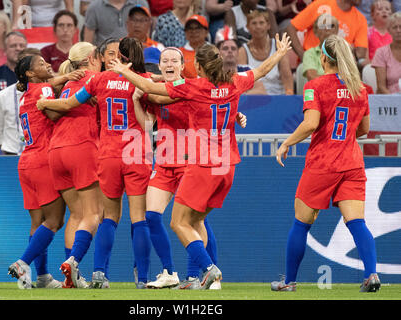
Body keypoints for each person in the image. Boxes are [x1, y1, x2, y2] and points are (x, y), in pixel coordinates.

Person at [108, 33, 292, 289]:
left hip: (202, 163)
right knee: (192, 220)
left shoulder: (193, 88)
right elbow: (261, 70)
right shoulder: (235, 82)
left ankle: (208, 269)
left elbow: (150, 88)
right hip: (227, 165)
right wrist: (280, 52)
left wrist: (121, 70)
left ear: (196, 68)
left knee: (179, 222)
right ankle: (201, 277)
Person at [37, 37, 153, 289]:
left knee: (108, 217)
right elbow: (155, 114)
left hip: (108, 153)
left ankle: (98, 273)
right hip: (135, 153)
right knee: (138, 218)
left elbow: (67, 104)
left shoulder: (97, 80)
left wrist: (43, 101)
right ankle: (142, 279)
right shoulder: (143, 80)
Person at [131, 46, 248, 289]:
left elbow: (217, 108)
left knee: (196, 222)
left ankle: (201, 274)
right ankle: (169, 272)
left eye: (174, 60)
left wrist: (236, 115)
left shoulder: (192, 88)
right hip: (164, 161)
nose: (169, 63)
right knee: (151, 215)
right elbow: (147, 125)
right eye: (165, 61)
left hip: (190, 162)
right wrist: (136, 101)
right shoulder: (160, 91)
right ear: (161, 66)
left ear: (184, 66)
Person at [272, 34, 380, 293]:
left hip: (322, 163)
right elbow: (364, 129)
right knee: (357, 222)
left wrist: (286, 143)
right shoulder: (360, 89)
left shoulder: (315, 85)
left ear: (323, 58)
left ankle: (289, 282)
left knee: (301, 223)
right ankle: (371, 274)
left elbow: (311, 123)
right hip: (352, 162)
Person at [47, 41, 104, 289]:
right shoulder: (95, 80)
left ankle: (70, 277)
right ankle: (74, 262)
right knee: (94, 213)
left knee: (77, 214)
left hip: (56, 152)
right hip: (82, 148)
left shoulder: (67, 84)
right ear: (92, 58)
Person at [7, 54, 68, 289]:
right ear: (30, 74)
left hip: (27, 161)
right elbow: (54, 112)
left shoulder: (24, 96)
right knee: (54, 220)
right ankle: (23, 263)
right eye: (41, 64)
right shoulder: (42, 91)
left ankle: (41, 277)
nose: (47, 65)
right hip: (43, 160)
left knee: (38, 222)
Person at [286, 0, 368, 70]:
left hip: (339, 66)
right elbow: (290, 29)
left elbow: (360, 53)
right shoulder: (321, 4)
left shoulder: (361, 19)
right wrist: (303, 55)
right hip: (313, 62)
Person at [0, 48, 41, 156]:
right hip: (12, 153)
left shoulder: (51, 93)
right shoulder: (2, 96)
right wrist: (6, 150)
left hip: (42, 154)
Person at [238, 9, 294, 95]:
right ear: (248, 27)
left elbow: (286, 76)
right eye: (254, 23)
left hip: (278, 97)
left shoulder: (278, 46)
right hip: (254, 98)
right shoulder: (243, 51)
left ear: (268, 25)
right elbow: (243, 82)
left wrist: (289, 96)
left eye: (261, 23)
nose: (258, 27)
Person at [215, 26, 267, 94]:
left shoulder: (247, 70)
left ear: (237, 53)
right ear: (218, 53)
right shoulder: (211, 72)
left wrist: (235, 95)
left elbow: (261, 92)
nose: (230, 51)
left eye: (233, 48)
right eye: (225, 48)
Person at [83, 0, 149, 46]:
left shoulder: (141, 3)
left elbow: (146, 34)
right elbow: (87, 43)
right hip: (105, 60)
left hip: (136, 57)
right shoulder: (94, 7)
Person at [302, 14, 340, 81]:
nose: (327, 29)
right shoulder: (309, 53)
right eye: (322, 26)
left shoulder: (346, 51)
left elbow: (351, 77)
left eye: (331, 26)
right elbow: (312, 77)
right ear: (316, 31)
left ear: (337, 30)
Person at [372, 12, 401, 94]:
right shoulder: (381, 52)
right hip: (389, 101)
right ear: (389, 30)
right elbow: (381, 87)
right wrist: (396, 101)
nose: (398, 30)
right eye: (395, 27)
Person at [179, 14, 210, 79]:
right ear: (185, 32)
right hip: (185, 87)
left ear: (206, 32)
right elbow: (175, 82)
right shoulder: (178, 53)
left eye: (198, 28)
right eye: (190, 28)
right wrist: (186, 82)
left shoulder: (213, 52)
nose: (193, 31)